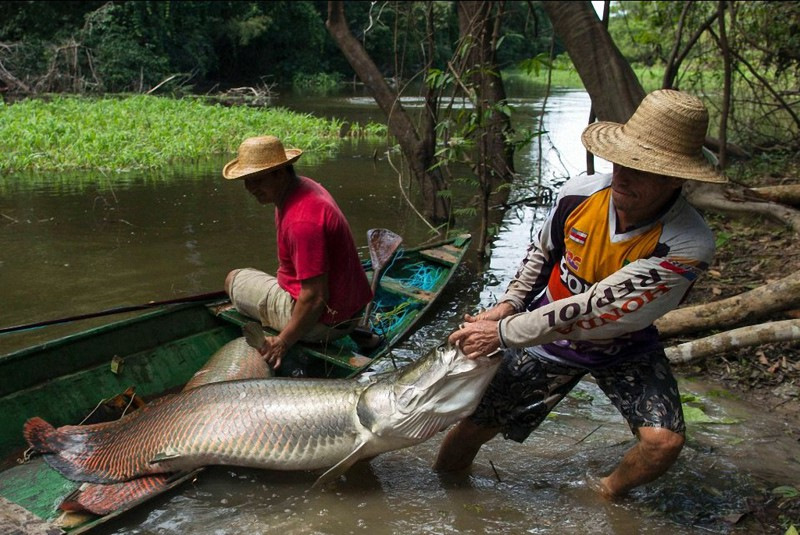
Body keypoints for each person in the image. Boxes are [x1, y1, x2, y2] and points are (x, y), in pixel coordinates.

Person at [433, 89, 728, 498]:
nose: (623, 175)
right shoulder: (581, 193)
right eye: (622, 162)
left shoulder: (686, 244)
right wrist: (508, 305)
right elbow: (543, 253)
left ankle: (603, 493)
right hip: (543, 337)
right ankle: (449, 495)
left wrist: (501, 333)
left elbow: (594, 308)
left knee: (663, 443)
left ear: (675, 178)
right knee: (473, 429)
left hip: (623, 344)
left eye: (642, 169)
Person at [222, 135, 373, 370]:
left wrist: (283, 342)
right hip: (349, 313)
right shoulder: (305, 186)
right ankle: (356, 331)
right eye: (246, 180)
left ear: (280, 174)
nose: (250, 188)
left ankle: (306, 331)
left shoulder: (301, 222)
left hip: (322, 323)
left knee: (233, 279)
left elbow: (314, 296)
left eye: (256, 180)